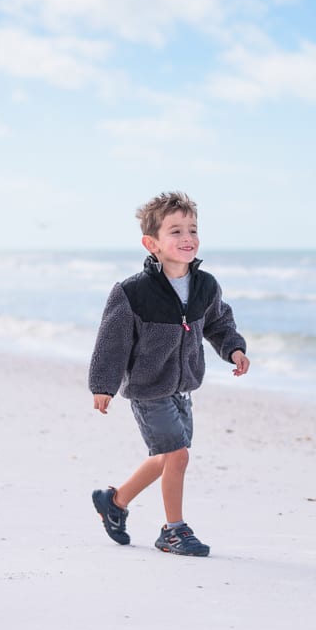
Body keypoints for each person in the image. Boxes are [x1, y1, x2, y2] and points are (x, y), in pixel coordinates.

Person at [88, 192, 249, 556]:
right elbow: (111, 342)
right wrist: (103, 385)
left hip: (183, 386)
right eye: (175, 231)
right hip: (148, 389)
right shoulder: (132, 292)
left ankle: (114, 502)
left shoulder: (205, 285)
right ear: (152, 243)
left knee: (165, 456)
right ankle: (173, 531)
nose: (186, 237)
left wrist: (233, 348)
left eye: (192, 229)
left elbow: (219, 321)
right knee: (177, 455)